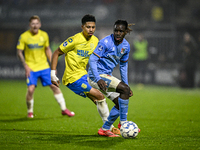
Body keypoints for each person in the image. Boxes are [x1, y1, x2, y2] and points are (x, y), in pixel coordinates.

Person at [50, 14, 120, 136]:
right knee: (99, 96)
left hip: (84, 75)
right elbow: (56, 52)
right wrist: (52, 74)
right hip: (72, 78)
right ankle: (106, 129)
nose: (91, 29)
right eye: (88, 27)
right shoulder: (74, 40)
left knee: (98, 99)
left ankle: (109, 127)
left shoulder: (95, 41)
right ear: (82, 27)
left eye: (93, 27)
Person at [88, 20, 139, 137]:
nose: (118, 33)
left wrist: (126, 85)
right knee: (124, 92)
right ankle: (124, 123)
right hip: (96, 76)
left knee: (120, 102)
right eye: (116, 30)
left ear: (126, 32)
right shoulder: (105, 42)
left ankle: (105, 129)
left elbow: (123, 65)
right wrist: (97, 78)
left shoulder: (126, 46)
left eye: (121, 31)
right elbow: (92, 60)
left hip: (106, 76)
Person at [16, 15, 75, 118]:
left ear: (40, 24)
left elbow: (47, 49)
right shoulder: (24, 36)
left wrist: (53, 65)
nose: (35, 26)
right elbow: (19, 52)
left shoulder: (44, 35)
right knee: (30, 89)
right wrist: (25, 65)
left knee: (55, 86)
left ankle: (64, 109)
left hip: (44, 67)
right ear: (30, 25)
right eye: (33, 24)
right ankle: (30, 111)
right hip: (31, 68)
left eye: (37, 23)